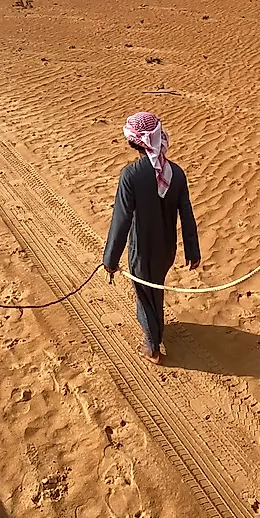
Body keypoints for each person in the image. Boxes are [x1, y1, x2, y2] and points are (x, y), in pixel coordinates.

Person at [103, 111, 200, 364]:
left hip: (142, 251)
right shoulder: (176, 173)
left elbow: (121, 220)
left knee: (144, 294)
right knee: (154, 287)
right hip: (167, 249)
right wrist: (192, 251)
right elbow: (187, 215)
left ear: (134, 142)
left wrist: (110, 259)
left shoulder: (131, 175)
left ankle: (152, 346)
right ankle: (158, 330)